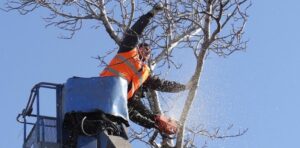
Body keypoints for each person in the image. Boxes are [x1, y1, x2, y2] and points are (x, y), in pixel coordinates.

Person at [100, 3, 192, 135]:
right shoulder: (127, 52)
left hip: (115, 103)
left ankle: (158, 120)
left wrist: (154, 121)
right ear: (138, 48)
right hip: (102, 89)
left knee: (120, 128)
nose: (147, 51)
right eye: (144, 48)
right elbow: (134, 33)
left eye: (149, 51)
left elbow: (160, 85)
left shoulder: (144, 73)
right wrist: (150, 15)